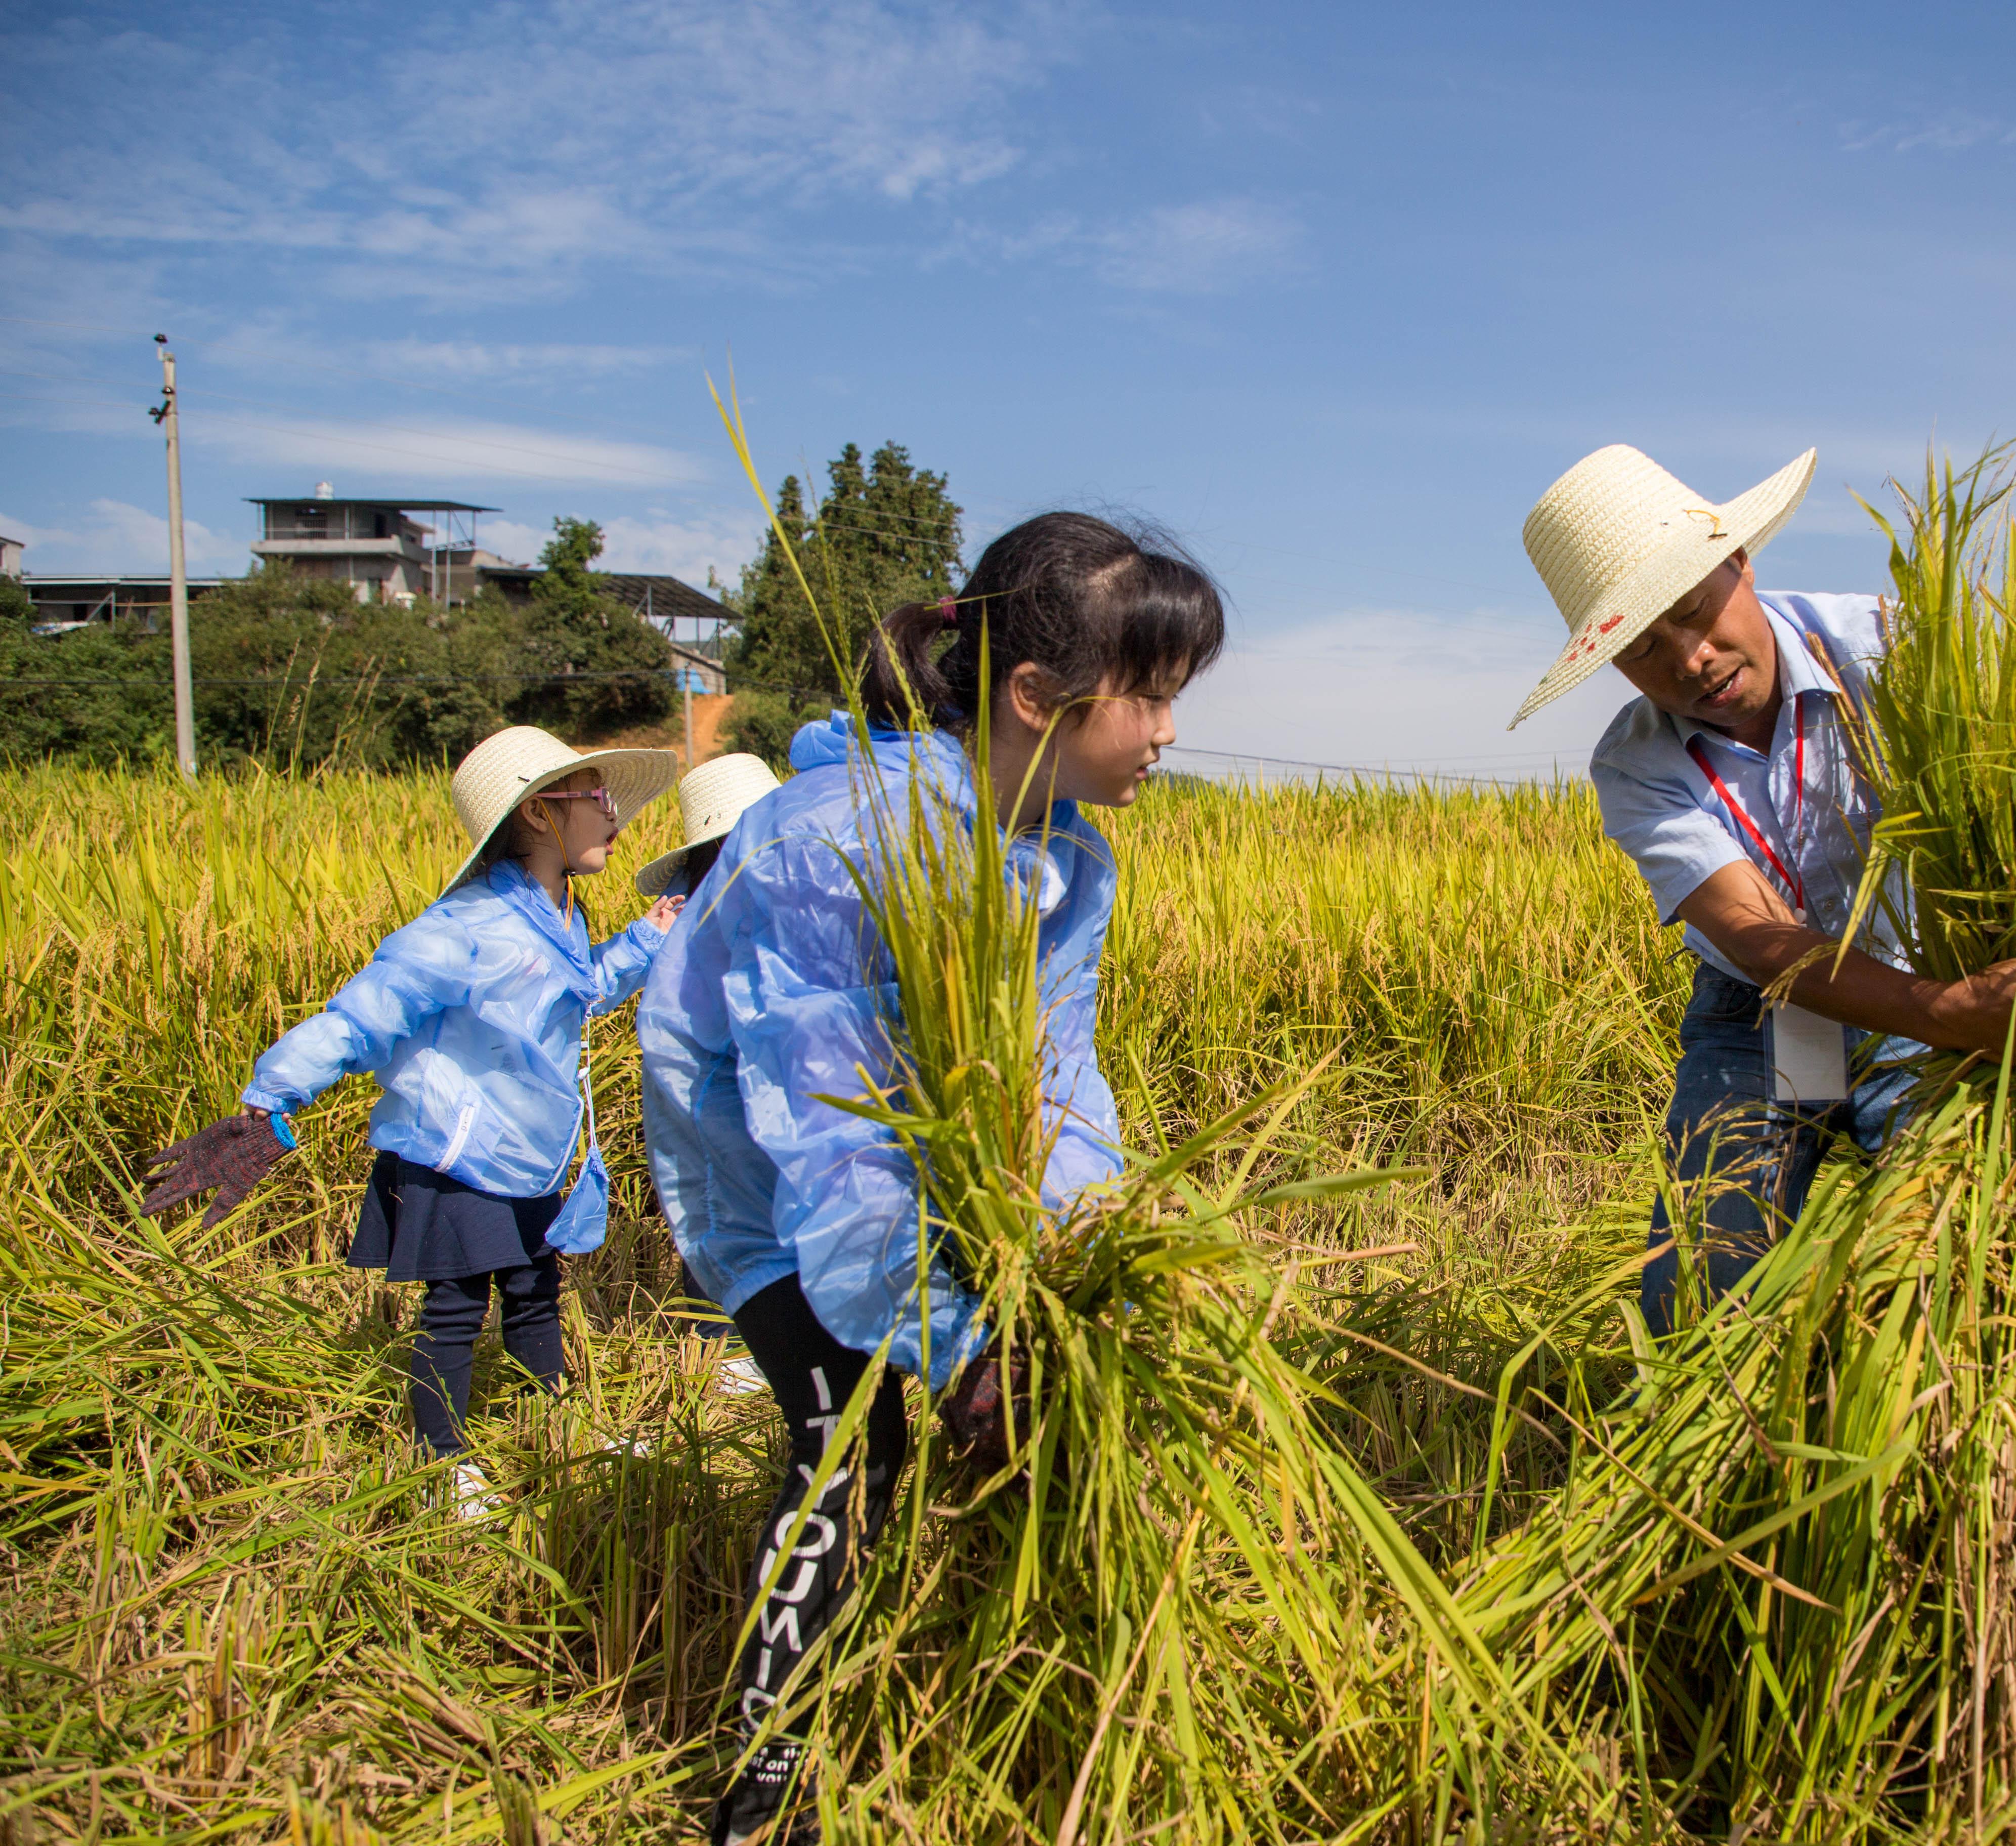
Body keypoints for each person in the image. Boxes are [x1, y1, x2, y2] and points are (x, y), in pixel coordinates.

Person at [637, 513, 1225, 1846]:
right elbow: (833, 1138)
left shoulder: (1069, 857)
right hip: (768, 1173)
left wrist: (1088, 1249)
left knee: (1030, 1409)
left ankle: (987, 1702)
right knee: (851, 1436)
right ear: (1036, 696)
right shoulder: (836, 843)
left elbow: (1055, 1076)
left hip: (933, 1151)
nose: (1169, 734)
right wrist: (961, 1345)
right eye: (1152, 697)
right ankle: (763, 1784)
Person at [1510, 445, 2016, 1338]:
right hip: (1766, 1010)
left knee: (1982, 1248)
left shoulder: (1898, 653)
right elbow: (1754, 934)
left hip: (1935, 967)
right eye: (1642, 647)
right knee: (1699, 1290)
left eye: (1695, 612)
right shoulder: (1637, 764)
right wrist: (1946, 1013)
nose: (1690, 660)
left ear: (1739, 562)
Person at [140, 726, 683, 1499]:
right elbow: (365, 1015)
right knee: (456, 1312)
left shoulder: (564, 915)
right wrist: (272, 1099)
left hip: (530, 1147)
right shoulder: (464, 928)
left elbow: (581, 992)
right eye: (598, 799)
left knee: (535, 1291)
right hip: (456, 1151)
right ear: (538, 814)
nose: (617, 819)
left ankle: (560, 1427)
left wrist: (645, 939)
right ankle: (442, 1467)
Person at [631, 751, 785, 1392]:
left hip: (763, 1095)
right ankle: (718, 1349)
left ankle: (742, 1344)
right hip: (717, 1093)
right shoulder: (700, 929)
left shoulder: (769, 905)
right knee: (720, 1207)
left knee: (741, 1209)